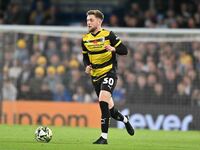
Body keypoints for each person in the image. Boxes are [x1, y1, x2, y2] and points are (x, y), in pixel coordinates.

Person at [81, 9, 134, 144]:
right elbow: (85, 57)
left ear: (99, 21)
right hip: (95, 77)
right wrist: (87, 66)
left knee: (102, 101)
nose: (88, 22)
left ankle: (103, 138)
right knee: (111, 112)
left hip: (109, 72)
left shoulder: (108, 35)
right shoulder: (85, 39)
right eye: (87, 20)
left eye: (91, 20)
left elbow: (125, 50)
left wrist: (114, 49)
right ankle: (125, 120)